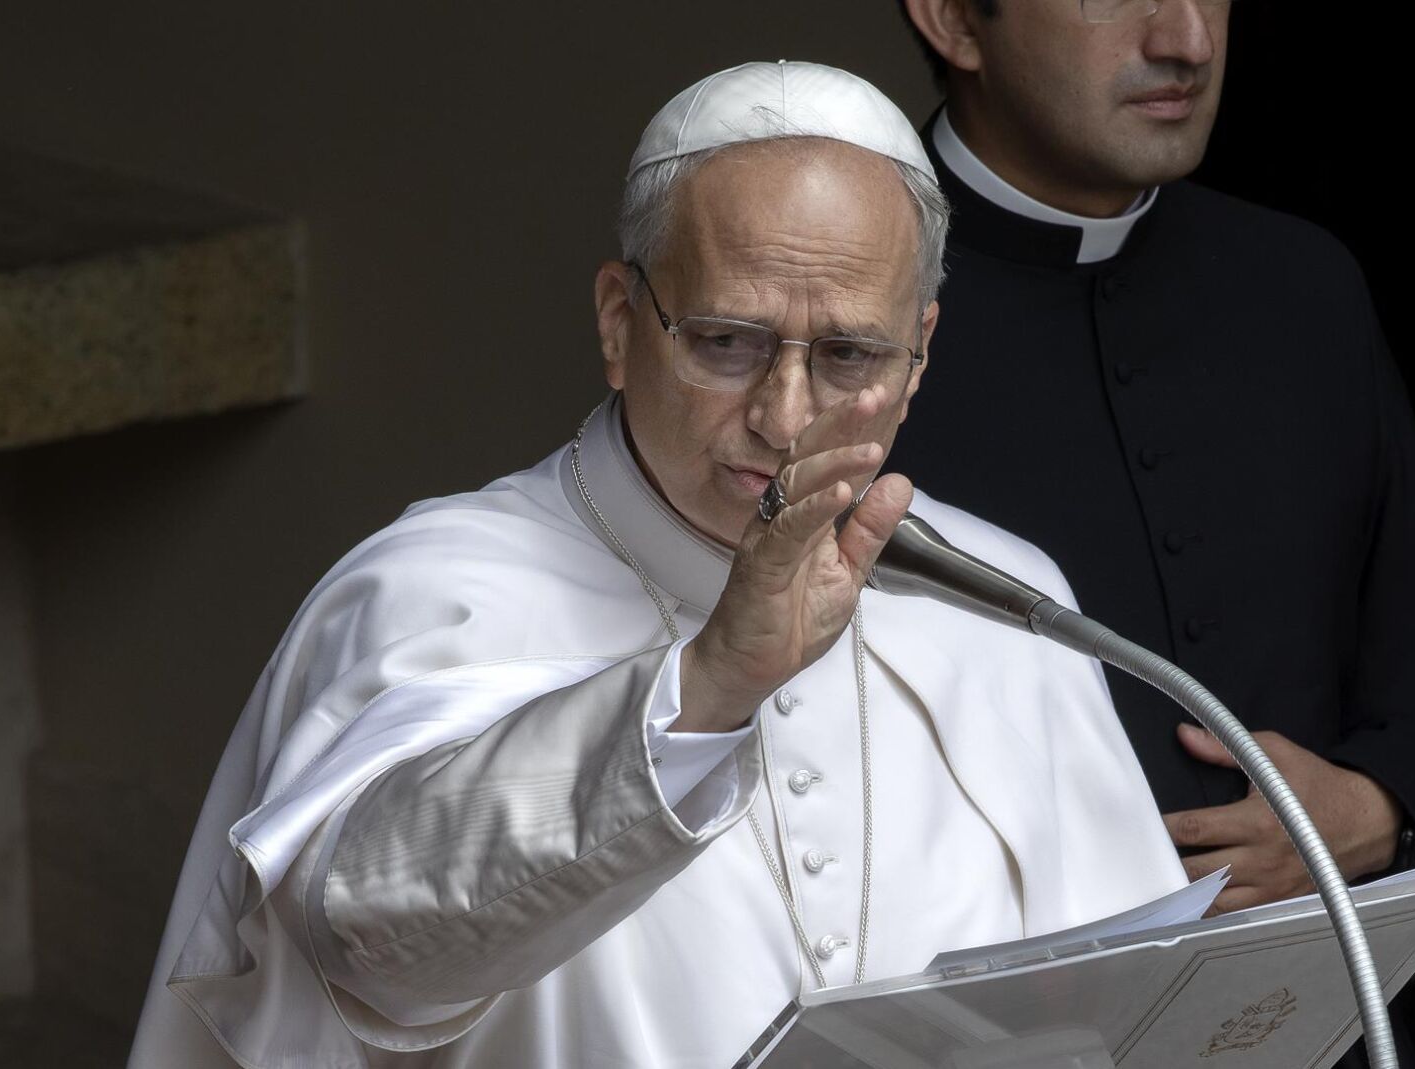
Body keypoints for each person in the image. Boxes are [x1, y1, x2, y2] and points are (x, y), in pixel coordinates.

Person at [128, 61, 1185, 1069]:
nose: (784, 416)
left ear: (918, 356)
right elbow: (366, 940)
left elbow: (1140, 1013)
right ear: (619, 322)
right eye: (727, 342)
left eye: (849, 356)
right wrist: (710, 684)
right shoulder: (431, 591)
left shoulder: (1004, 599)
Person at [890, 0, 1415, 1057]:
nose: (1187, 39)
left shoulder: (1305, 289)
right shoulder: (826, 330)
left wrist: (1371, 813)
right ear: (955, 18)